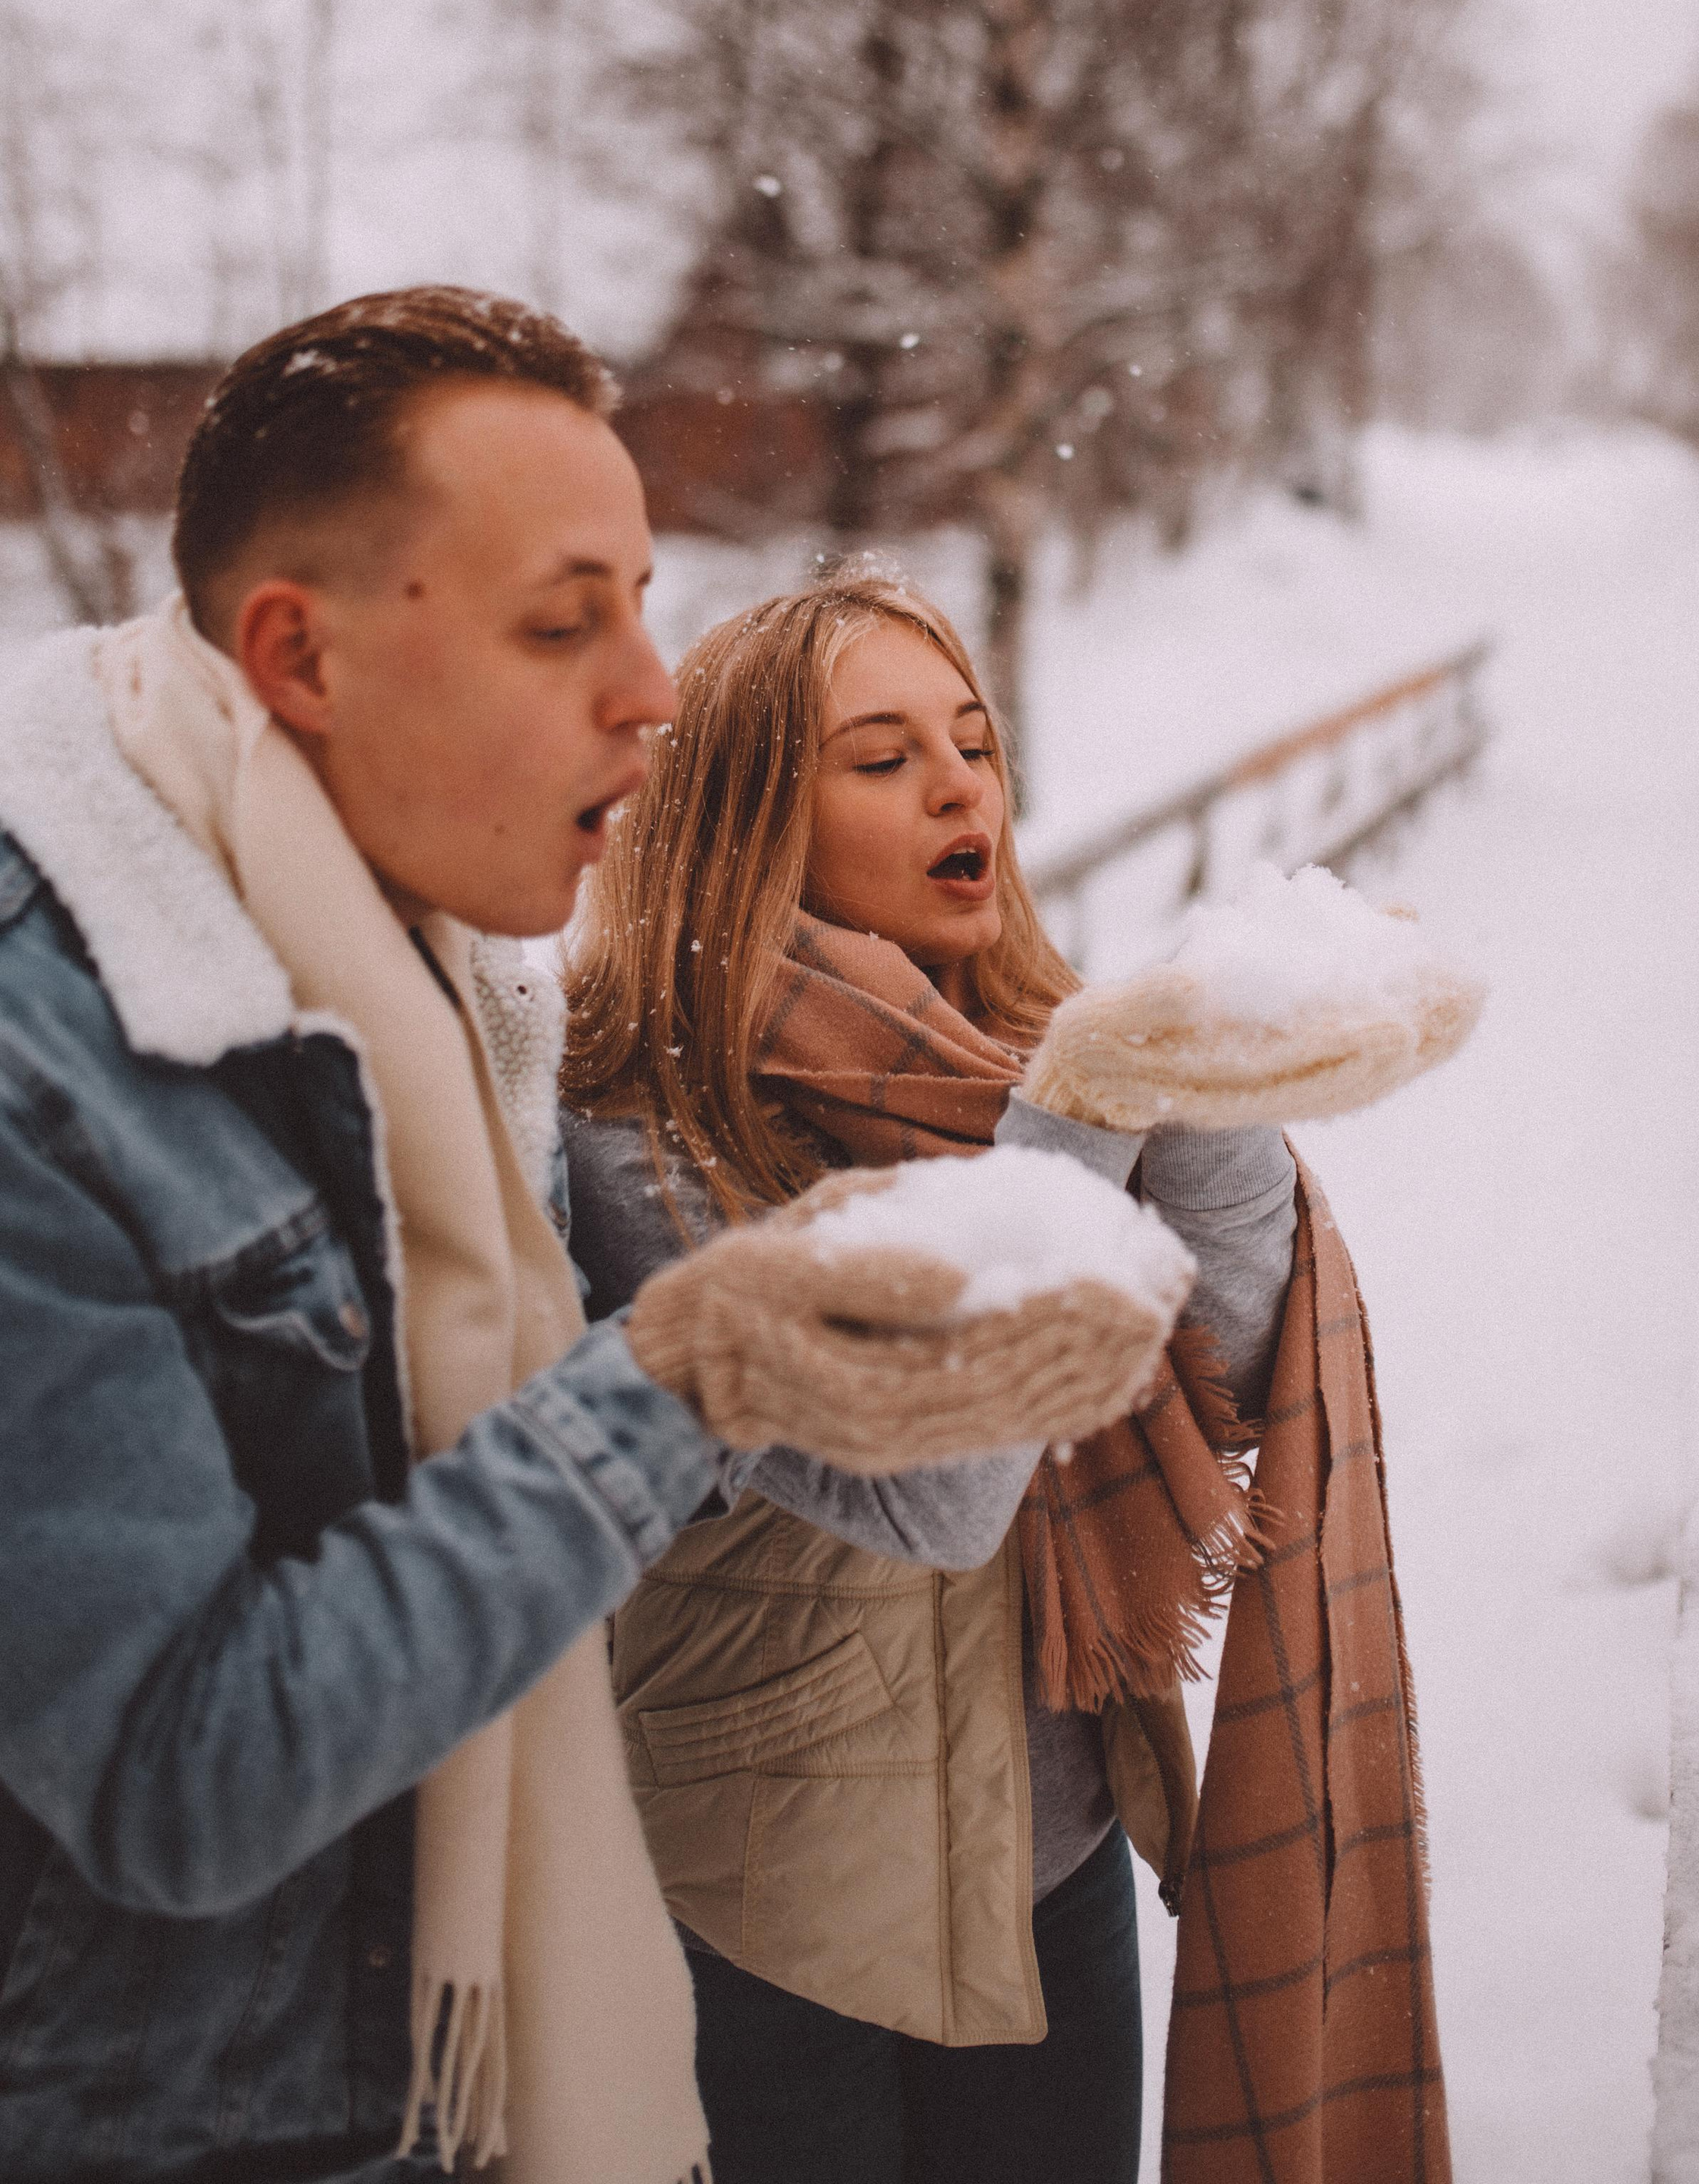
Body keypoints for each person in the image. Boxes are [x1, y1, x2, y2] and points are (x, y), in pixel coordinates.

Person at [0, 291, 1173, 2184]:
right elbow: (179, 1779)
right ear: (297, 652)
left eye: (638, 599)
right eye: (567, 621)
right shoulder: (45, 1072)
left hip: (456, 2085)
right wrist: (682, 1372)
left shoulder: (448, 986)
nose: (649, 684)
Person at [562, 571, 1339, 2184]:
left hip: (1046, 1835)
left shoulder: (1008, 1056)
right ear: (742, 813)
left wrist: (1206, 1083)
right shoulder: (643, 1126)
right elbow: (928, 1491)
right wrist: (1080, 1118)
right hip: (765, 1885)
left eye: (972, 741)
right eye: (880, 754)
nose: (957, 783)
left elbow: (1233, 1363)